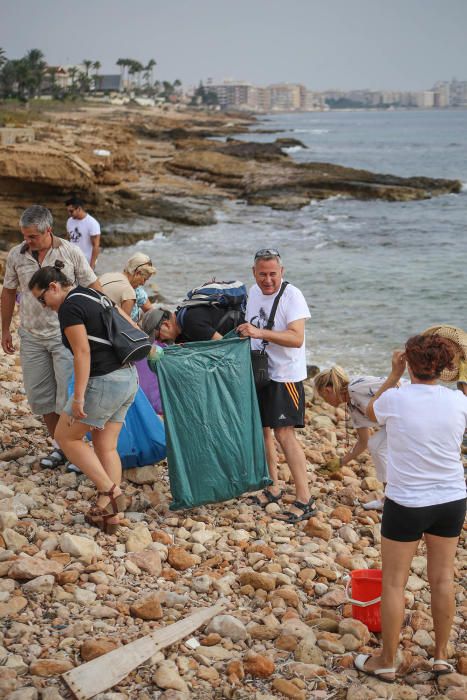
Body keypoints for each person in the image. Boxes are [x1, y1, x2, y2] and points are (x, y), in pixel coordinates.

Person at [354, 335, 467, 682]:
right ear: (446, 367)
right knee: (443, 578)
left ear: (409, 362)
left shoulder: (397, 398)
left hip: (407, 502)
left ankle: (387, 659)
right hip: (451, 499)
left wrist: (392, 373)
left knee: (393, 583)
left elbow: (370, 412)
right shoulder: (459, 401)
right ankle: (440, 657)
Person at [28, 263, 138, 533]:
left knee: (66, 438)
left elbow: (82, 352)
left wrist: (78, 397)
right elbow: (129, 323)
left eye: (42, 299)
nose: (44, 306)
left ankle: (110, 491)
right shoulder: (93, 294)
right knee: (106, 447)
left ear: (54, 286)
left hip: (104, 382)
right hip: (128, 377)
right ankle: (111, 517)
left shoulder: (69, 307)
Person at [1, 205, 100, 468]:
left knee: (68, 396)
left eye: (32, 236)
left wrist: (103, 321)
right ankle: (60, 447)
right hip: (31, 335)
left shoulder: (70, 251)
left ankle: (78, 449)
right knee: (42, 397)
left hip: (65, 335)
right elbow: (9, 291)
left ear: (48, 231)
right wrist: (5, 329)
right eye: (24, 235)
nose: (27, 241)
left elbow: (93, 286)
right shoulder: (16, 255)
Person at [237, 248, 314, 523]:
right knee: (263, 429)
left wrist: (260, 332)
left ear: (282, 272)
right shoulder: (253, 291)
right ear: (254, 273)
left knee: (284, 434)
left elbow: (296, 339)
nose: (267, 280)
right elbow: (250, 326)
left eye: (273, 274)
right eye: (262, 274)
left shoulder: (292, 295)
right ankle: (273, 486)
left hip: (286, 375)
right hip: (260, 370)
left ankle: (305, 499)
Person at [313, 367, 391, 510]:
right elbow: (363, 441)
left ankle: (390, 501)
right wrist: (339, 463)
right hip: (395, 421)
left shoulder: (357, 386)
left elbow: (395, 383)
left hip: (412, 412)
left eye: (324, 397)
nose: (326, 401)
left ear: (328, 390)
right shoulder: (352, 406)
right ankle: (389, 499)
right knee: (377, 445)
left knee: (379, 447)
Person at [99, 253, 155, 322]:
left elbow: (150, 311)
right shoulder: (128, 292)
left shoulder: (106, 276)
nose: (143, 284)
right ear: (137, 273)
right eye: (144, 279)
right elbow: (124, 326)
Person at [66, 197, 101, 270]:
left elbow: (96, 246)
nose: (69, 214)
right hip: (72, 261)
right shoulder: (69, 221)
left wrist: (92, 266)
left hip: (86, 262)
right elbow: (69, 240)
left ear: (79, 209)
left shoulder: (92, 223)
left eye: (71, 211)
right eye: (68, 211)